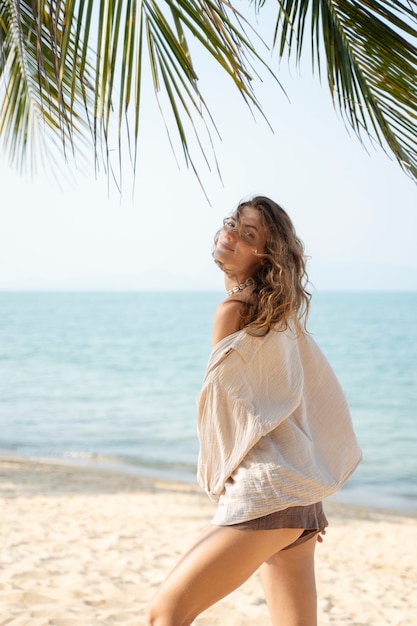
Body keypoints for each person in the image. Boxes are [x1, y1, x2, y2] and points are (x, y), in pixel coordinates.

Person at [146, 195, 362, 626]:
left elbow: (222, 418)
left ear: (266, 257)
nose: (230, 235)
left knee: (165, 615)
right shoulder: (279, 315)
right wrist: (310, 492)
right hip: (297, 498)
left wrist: (225, 487)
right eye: (232, 224)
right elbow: (307, 403)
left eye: (248, 235)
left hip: (267, 495)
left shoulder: (234, 310)